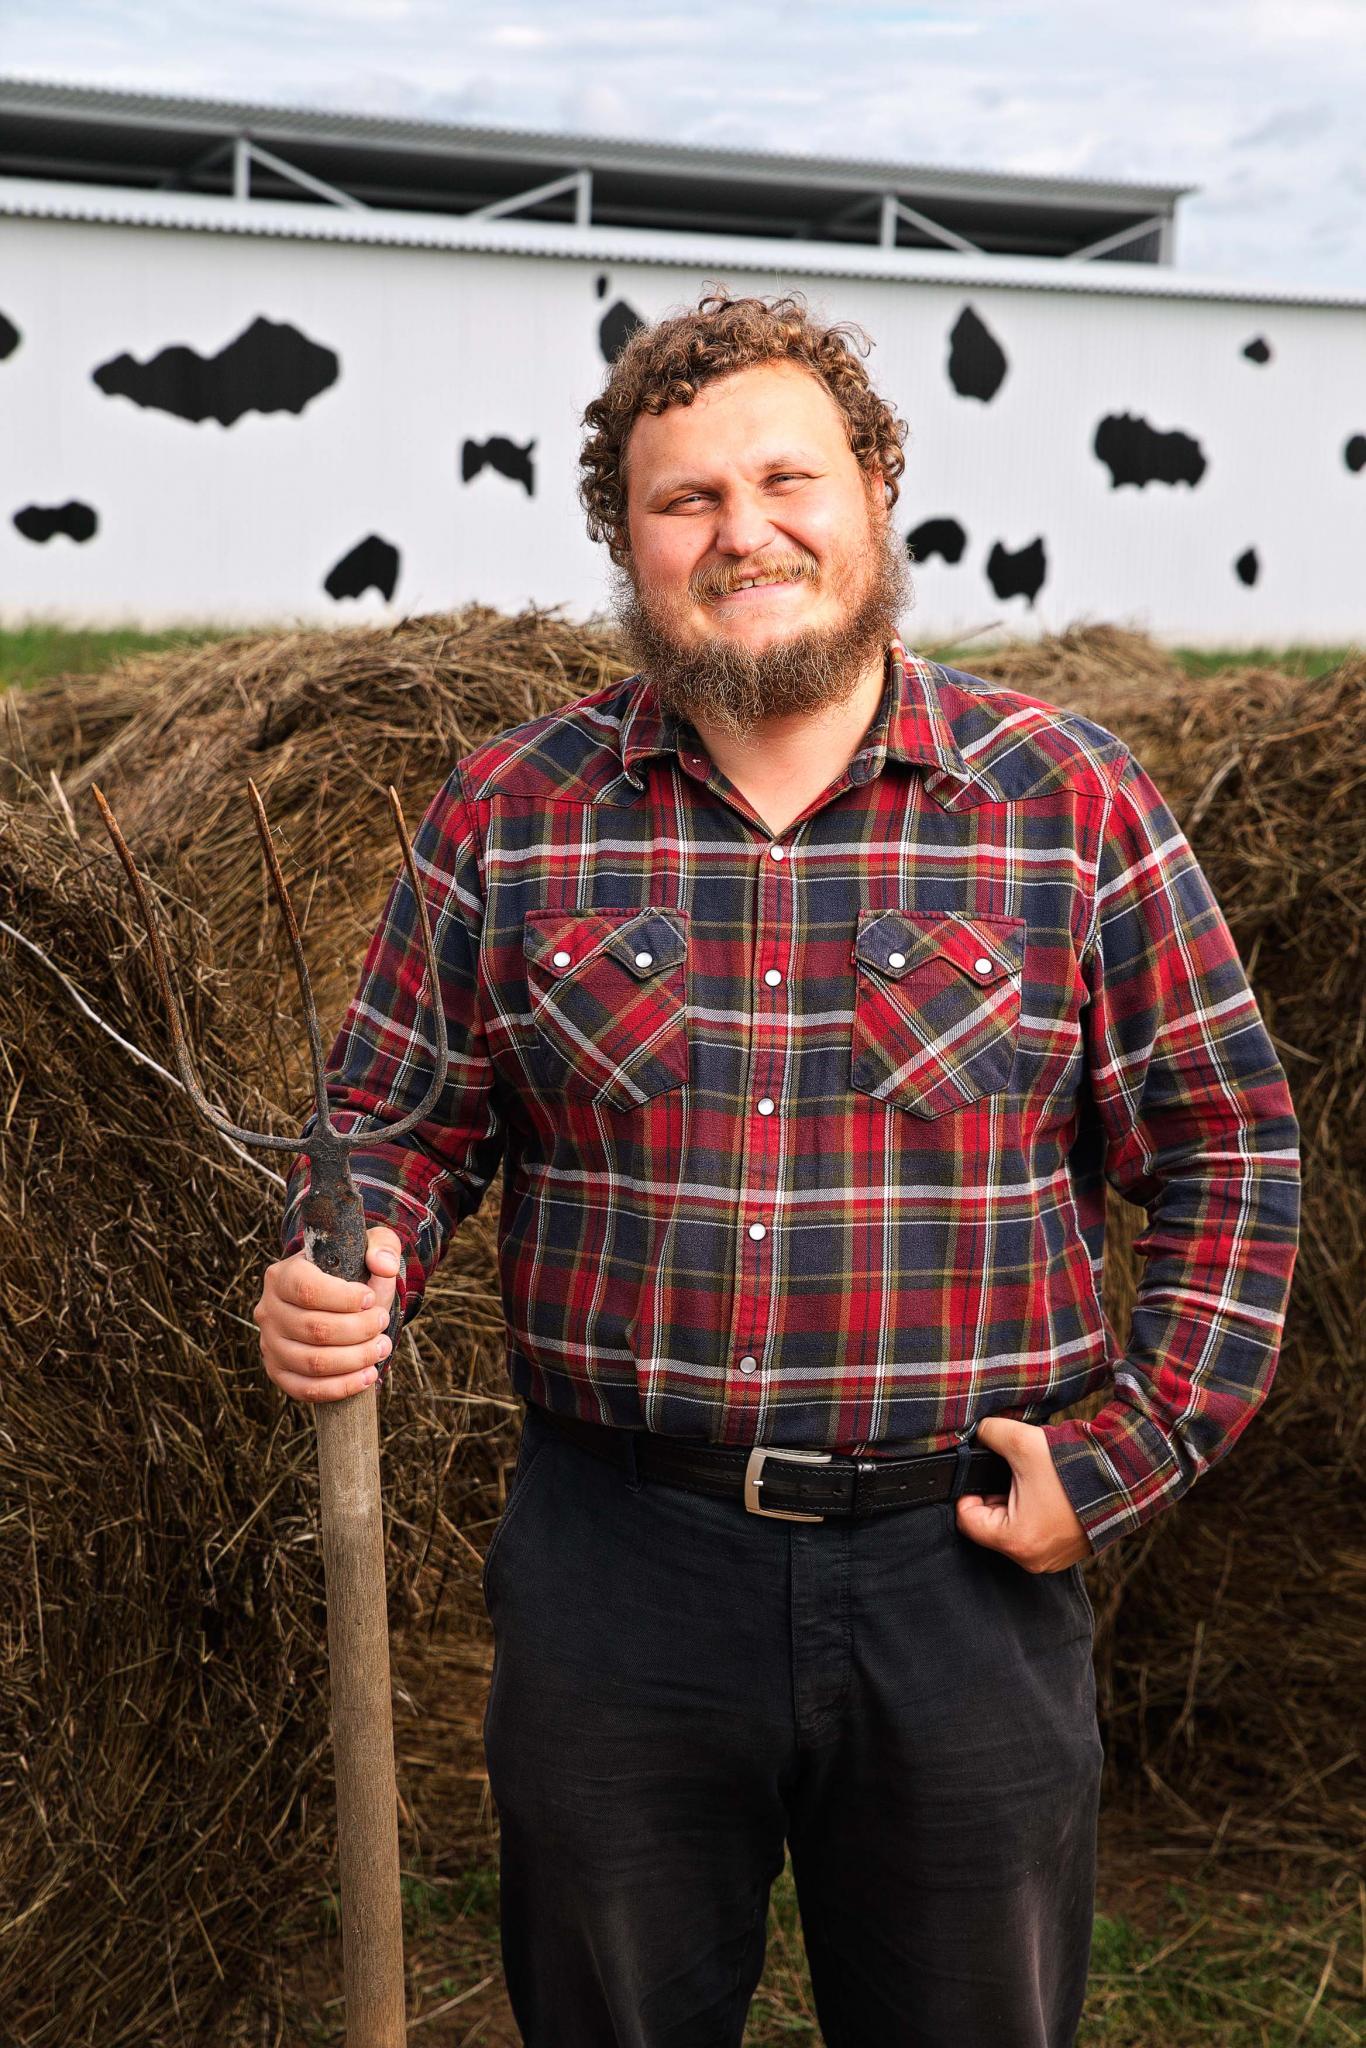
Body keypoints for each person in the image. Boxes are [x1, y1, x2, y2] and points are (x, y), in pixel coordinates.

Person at [255, 288, 1302, 2046]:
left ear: (875, 491)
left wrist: (1121, 1458)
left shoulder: (1067, 803)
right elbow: (391, 1125)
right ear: (628, 542)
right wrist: (340, 1259)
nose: (743, 533)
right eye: (686, 501)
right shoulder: (511, 809)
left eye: (785, 481)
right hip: (616, 1574)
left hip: (961, 1572)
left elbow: (1227, 1148)